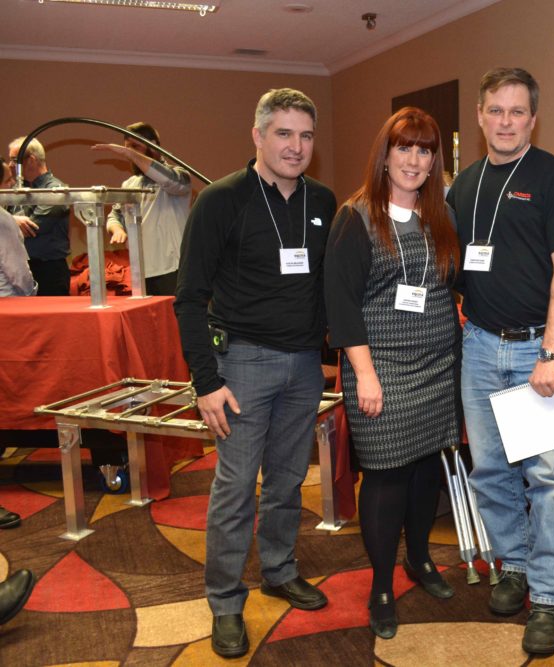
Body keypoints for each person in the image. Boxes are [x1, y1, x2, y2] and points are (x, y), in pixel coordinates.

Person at [173, 88, 336, 659]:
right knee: (237, 488)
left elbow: (329, 287)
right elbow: (188, 298)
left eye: (306, 135)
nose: (296, 147)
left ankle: (279, 568)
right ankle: (224, 600)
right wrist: (205, 382)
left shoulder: (323, 200)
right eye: (284, 133)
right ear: (258, 136)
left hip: (303, 366)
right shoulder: (222, 201)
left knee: (290, 480)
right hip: (240, 365)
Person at [446, 67, 554, 656]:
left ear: (533, 118)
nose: (505, 121)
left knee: (549, 479)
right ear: (481, 116)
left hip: (541, 350)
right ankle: (512, 565)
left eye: (517, 112)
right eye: (495, 111)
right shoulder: (464, 185)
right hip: (481, 345)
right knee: (491, 470)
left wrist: (551, 354)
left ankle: (550, 596)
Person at [325, 107, 462, 640]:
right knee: (385, 476)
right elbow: (340, 304)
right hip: (380, 369)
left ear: (434, 161)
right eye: (404, 147)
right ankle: (382, 584)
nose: (413, 159)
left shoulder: (440, 217)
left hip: (437, 367)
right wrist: (366, 375)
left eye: (424, 150)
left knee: (427, 469)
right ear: (385, 155)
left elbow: (452, 285)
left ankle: (420, 559)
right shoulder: (355, 216)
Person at [93, 121, 192, 296]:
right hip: (141, 271)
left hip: (173, 268)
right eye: (127, 148)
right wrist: (117, 229)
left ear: (153, 146)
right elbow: (114, 216)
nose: (130, 154)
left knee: (174, 321)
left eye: (135, 147)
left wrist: (129, 153)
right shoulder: (129, 184)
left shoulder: (179, 175)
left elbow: (169, 180)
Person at [7, 137, 70, 295]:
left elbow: (33, 227)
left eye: (14, 160)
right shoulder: (14, 188)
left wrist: (8, 223)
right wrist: (14, 220)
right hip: (20, 269)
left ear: (32, 160)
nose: (10, 166)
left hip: (49, 272)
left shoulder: (56, 190)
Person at [1, 159, 36, 297]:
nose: (12, 184)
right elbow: (18, 273)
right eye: (8, 180)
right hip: (7, 302)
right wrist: (31, 292)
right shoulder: (4, 220)